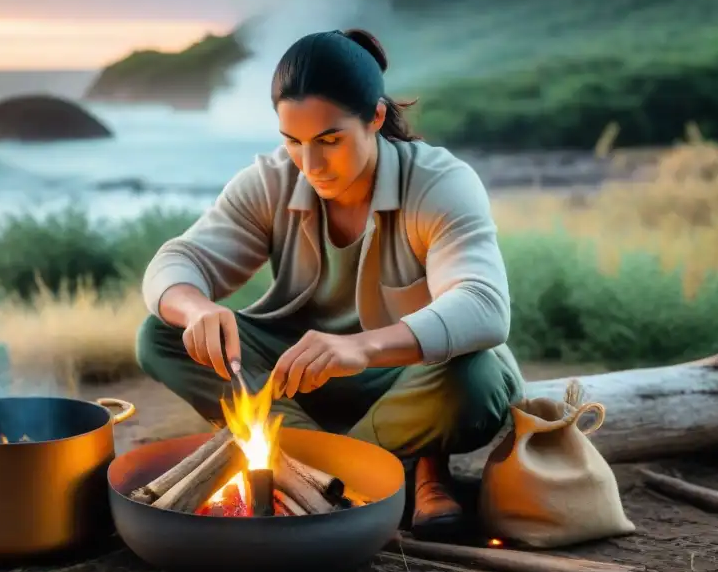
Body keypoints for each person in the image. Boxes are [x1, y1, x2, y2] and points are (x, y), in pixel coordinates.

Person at [135, 28, 525, 540]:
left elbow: (484, 305)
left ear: (376, 118)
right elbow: (177, 261)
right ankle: (350, 465)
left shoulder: (439, 182)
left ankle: (313, 471)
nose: (310, 164)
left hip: (407, 380)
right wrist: (197, 310)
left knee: (476, 379)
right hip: (300, 378)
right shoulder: (273, 179)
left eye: (329, 140)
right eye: (293, 141)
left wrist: (359, 348)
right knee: (163, 332)